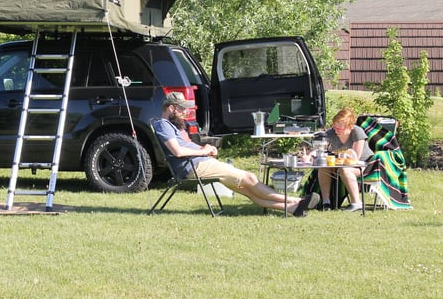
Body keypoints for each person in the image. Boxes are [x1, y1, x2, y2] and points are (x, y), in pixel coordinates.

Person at [153, 92, 319, 217]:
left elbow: (186, 146)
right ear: (171, 108)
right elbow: (178, 151)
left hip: (200, 163)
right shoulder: (163, 124)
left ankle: (292, 208)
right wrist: (203, 151)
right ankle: (297, 201)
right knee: (249, 178)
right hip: (193, 167)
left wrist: (206, 148)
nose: (185, 111)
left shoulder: (176, 126)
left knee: (247, 189)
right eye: (182, 108)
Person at [317, 107, 373, 212]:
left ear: (350, 127)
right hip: (341, 164)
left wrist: (337, 156)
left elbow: (354, 158)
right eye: (334, 127)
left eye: (340, 128)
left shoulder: (357, 132)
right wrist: (311, 154)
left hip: (364, 165)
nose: (336, 130)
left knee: (345, 169)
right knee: (324, 167)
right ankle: (326, 202)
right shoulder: (331, 133)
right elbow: (320, 148)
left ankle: (356, 203)